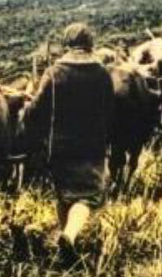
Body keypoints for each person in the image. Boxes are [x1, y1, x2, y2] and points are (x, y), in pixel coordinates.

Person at [21, 22, 114, 258]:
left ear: (67, 43)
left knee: (64, 194)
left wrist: (26, 109)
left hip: (59, 147)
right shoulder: (102, 73)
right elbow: (110, 109)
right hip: (91, 146)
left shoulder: (54, 73)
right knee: (88, 196)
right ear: (90, 43)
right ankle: (69, 237)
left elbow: (35, 112)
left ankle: (65, 237)